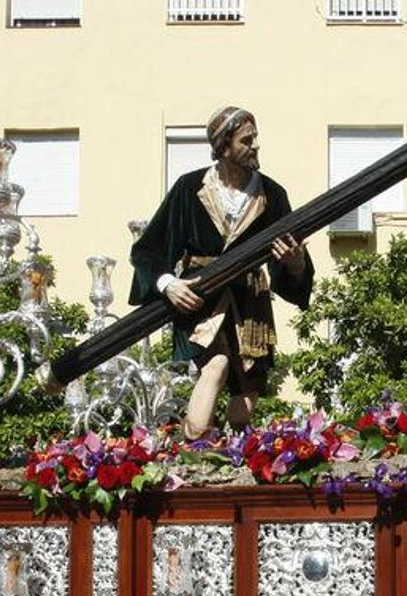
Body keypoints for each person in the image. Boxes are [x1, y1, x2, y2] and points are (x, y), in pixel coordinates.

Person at [129, 106, 313, 439]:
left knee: (244, 405)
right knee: (216, 365)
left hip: (250, 299)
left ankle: (230, 457)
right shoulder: (189, 189)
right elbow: (147, 249)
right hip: (201, 296)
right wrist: (168, 283)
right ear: (223, 146)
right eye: (246, 140)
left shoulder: (272, 194)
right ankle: (191, 440)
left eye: (256, 137)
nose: (255, 145)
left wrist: (295, 263)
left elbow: (295, 260)